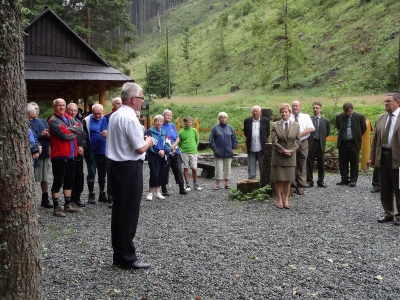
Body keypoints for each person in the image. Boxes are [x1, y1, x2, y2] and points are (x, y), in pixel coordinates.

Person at [106, 82, 153, 269]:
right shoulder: (131, 118)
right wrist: (149, 140)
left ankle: (119, 254)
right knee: (129, 213)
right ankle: (127, 257)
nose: (142, 101)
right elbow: (139, 147)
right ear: (133, 99)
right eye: (141, 98)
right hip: (129, 167)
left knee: (119, 212)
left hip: (116, 166)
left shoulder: (115, 115)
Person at [369, 93, 400, 225]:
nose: (386, 104)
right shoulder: (381, 118)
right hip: (383, 156)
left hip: (398, 158)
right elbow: (375, 140)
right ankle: (388, 213)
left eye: (389, 101)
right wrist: (372, 157)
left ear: (398, 102)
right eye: (385, 102)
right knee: (385, 187)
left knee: (399, 187)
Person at [48, 98, 82, 217]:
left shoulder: (68, 118)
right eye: (59, 105)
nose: (62, 107)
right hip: (59, 156)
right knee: (58, 180)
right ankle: (56, 207)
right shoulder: (53, 120)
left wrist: (69, 131)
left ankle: (68, 204)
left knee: (69, 180)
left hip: (71, 154)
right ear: (54, 107)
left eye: (63, 105)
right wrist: (73, 133)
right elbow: (64, 136)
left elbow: (80, 128)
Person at [271, 103, 300, 209]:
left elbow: (298, 140)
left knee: (288, 180)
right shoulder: (275, 125)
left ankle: (286, 199)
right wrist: (283, 150)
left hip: (290, 156)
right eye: (282, 112)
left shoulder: (296, 125)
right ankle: (279, 199)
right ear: (280, 113)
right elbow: (274, 141)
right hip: (278, 156)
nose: (284, 113)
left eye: (286, 111)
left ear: (289, 113)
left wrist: (291, 151)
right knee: (278, 179)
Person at [28, 102, 53, 208]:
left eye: (37, 108)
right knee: (31, 178)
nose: (36, 110)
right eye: (34, 108)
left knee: (45, 178)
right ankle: (30, 201)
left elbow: (49, 135)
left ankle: (45, 199)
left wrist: (48, 135)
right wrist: (41, 135)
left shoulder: (43, 121)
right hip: (33, 154)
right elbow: (31, 137)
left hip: (45, 153)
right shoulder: (27, 122)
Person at [336, 102, 366, 187]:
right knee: (343, 161)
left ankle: (353, 180)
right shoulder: (339, 116)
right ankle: (344, 178)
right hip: (343, 142)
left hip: (354, 142)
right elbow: (338, 127)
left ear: (352, 109)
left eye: (348, 111)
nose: (347, 113)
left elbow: (363, 128)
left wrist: (356, 135)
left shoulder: (359, 116)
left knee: (354, 161)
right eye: (345, 111)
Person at [83, 104, 108, 204]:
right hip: (92, 151)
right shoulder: (87, 120)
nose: (97, 116)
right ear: (91, 112)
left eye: (99, 113)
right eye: (95, 113)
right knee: (92, 172)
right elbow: (83, 135)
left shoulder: (106, 119)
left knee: (103, 173)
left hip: (104, 151)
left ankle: (102, 193)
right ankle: (91, 194)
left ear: (103, 112)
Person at [289, 101, 314, 195]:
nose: (295, 107)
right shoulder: (289, 117)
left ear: (300, 107)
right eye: (293, 106)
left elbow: (310, 128)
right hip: (291, 144)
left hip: (303, 143)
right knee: (292, 164)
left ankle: (301, 186)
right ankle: (292, 186)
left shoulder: (306, 116)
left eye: (296, 106)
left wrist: (298, 135)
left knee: (302, 165)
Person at [161, 109, 188, 196]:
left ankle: (181, 188)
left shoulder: (172, 125)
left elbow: (177, 137)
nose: (169, 117)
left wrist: (174, 145)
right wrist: (169, 147)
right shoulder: (160, 125)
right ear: (163, 116)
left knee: (178, 170)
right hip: (166, 152)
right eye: (167, 115)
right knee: (165, 170)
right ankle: (164, 189)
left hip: (175, 151)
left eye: (170, 115)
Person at [144, 115, 171, 201]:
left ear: (162, 123)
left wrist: (164, 151)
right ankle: (150, 192)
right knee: (154, 173)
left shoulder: (164, 132)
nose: (159, 123)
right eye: (157, 121)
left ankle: (158, 191)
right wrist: (158, 151)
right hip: (153, 156)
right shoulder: (149, 132)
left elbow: (168, 143)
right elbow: (149, 143)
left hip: (163, 156)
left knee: (161, 173)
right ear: (154, 122)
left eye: (160, 121)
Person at [209, 112, 238, 190]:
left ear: (227, 118)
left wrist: (233, 148)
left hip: (228, 151)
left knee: (227, 167)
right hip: (218, 152)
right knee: (218, 168)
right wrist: (214, 149)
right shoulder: (215, 128)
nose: (223, 119)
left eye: (225, 117)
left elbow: (234, 139)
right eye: (222, 117)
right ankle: (217, 184)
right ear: (219, 118)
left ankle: (227, 183)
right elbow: (211, 140)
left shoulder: (230, 128)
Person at [103, 97, 122, 209]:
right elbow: (104, 133)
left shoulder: (126, 116)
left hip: (123, 151)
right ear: (113, 105)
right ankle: (111, 198)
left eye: (121, 103)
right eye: (117, 104)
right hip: (111, 151)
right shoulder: (107, 117)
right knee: (111, 174)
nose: (119, 105)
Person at [306, 102, 331, 188]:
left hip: (320, 143)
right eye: (314, 108)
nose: (315, 109)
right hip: (311, 143)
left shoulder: (326, 121)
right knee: (309, 163)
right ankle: (309, 181)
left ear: (320, 109)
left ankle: (321, 181)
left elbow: (327, 133)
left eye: (317, 108)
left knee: (321, 163)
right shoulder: (309, 119)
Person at [67, 103, 86, 207]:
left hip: (79, 154)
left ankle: (77, 197)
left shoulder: (79, 122)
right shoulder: (65, 122)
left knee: (79, 176)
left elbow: (84, 136)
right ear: (67, 110)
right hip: (69, 153)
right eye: (71, 110)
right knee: (70, 176)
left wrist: (82, 146)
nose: (73, 112)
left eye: (75, 111)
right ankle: (70, 198)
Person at [243, 105, 270, 180]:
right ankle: (252, 181)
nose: (255, 113)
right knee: (251, 166)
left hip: (262, 147)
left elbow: (267, 133)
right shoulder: (247, 121)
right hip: (251, 146)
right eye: (254, 111)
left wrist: (262, 139)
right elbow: (246, 133)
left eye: (257, 111)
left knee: (263, 165)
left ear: (260, 112)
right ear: (252, 112)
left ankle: (263, 181)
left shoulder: (265, 120)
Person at [179, 116, 203, 191]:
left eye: (191, 122)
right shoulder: (181, 132)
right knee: (185, 168)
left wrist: (195, 147)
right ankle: (187, 184)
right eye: (189, 122)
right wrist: (182, 148)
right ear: (185, 122)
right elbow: (179, 142)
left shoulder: (194, 130)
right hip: (184, 152)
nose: (190, 123)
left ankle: (195, 183)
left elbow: (197, 140)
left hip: (193, 151)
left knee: (194, 168)